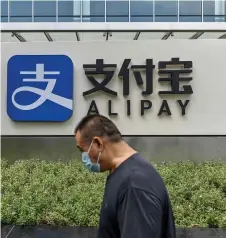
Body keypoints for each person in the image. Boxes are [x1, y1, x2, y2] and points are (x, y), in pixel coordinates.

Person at [74, 114, 176, 238]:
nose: (84, 157)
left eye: (82, 150)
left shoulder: (134, 184)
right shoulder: (123, 174)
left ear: (98, 144)